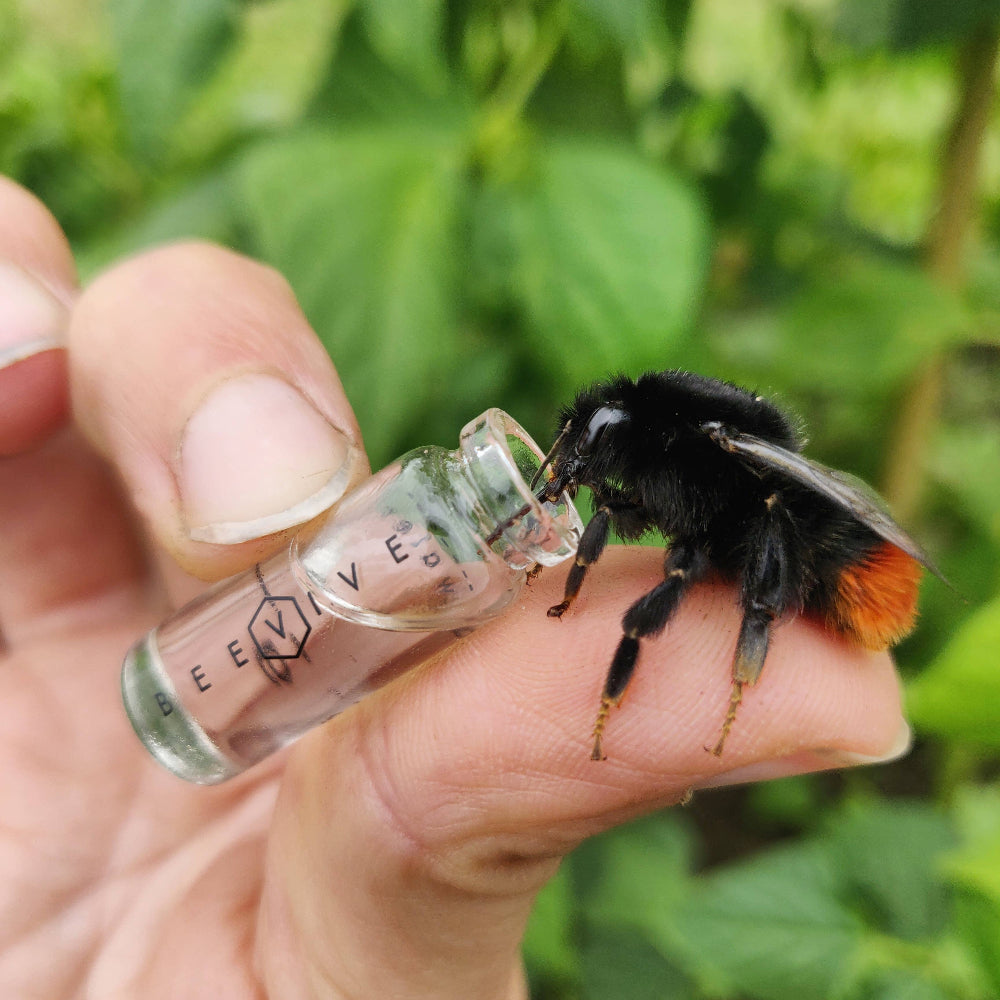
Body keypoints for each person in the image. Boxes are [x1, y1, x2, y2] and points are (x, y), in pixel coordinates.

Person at [0, 175, 909, 998]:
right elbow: (606, 517)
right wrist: (572, 579)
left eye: (581, 455)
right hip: (160, 737)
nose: (571, 474)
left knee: (692, 571)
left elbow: (702, 529)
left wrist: (720, 674)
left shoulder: (706, 457)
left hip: (837, 561)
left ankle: (744, 674)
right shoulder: (645, 476)